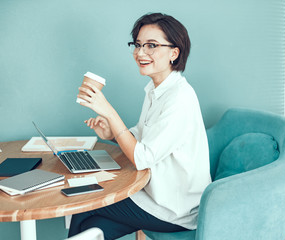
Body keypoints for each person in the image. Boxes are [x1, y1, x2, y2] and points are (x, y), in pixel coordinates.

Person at [68, 12, 211, 239]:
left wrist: (109, 111)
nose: (140, 53)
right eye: (138, 44)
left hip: (174, 208)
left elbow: (142, 157)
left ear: (174, 53)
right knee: (88, 223)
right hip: (151, 192)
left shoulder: (180, 98)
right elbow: (145, 135)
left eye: (151, 45)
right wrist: (112, 133)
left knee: (86, 204)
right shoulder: (157, 90)